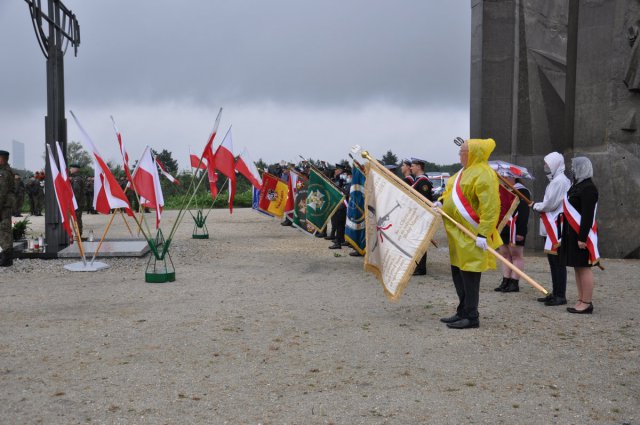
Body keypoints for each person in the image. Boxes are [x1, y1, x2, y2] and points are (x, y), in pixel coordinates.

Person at [436, 139, 502, 329]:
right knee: (458, 272)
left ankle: (472, 316)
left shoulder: (484, 173)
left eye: (463, 151)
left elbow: (490, 207)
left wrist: (484, 233)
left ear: (473, 153)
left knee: (470, 275)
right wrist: (441, 201)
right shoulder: (460, 173)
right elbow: (449, 193)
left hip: (472, 234)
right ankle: (462, 310)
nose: (460, 155)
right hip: (457, 234)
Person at [558, 157, 599, 314]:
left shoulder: (588, 188)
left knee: (584, 267)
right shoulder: (577, 186)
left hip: (582, 234)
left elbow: (587, 215)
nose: (572, 170)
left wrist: (582, 237)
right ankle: (581, 299)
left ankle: (587, 302)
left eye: (575, 167)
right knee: (577, 267)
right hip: (571, 234)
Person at [531, 152, 572, 306]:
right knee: (553, 262)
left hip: (555, 227)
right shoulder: (556, 180)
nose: (545, 167)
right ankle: (556, 292)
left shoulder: (559, 182)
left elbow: (550, 204)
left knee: (557, 262)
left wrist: (535, 205)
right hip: (552, 226)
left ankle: (560, 295)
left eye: (547, 164)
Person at [495, 175, 531, 293]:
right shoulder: (502, 189)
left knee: (516, 255)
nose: (504, 178)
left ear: (513, 178)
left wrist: (521, 231)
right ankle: (506, 280)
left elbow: (524, 212)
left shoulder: (522, 191)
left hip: (515, 227)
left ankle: (514, 282)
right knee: (505, 255)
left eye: (506, 176)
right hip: (503, 227)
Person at [410, 157, 434, 275]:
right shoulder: (418, 180)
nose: (411, 167)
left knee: (420, 242)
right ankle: (417, 265)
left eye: (413, 165)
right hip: (418, 215)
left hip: (422, 216)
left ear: (419, 167)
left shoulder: (423, 181)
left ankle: (421, 268)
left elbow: (425, 201)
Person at [0, 150, 16, 267]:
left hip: (3, 205)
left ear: (2, 159)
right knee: (4, 229)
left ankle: (7, 258)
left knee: (4, 230)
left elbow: (2, 192)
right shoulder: (6, 171)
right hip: (5, 204)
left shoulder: (4, 173)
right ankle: (6, 256)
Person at [328, 163, 350, 249]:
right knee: (338, 224)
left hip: (343, 206)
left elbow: (345, 193)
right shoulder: (339, 180)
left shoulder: (347, 183)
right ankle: (339, 239)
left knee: (340, 224)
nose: (335, 171)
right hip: (339, 205)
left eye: (337, 169)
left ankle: (338, 241)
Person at [69, 164, 86, 237]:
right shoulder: (77, 178)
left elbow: (76, 191)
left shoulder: (77, 179)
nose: (70, 169)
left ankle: (78, 234)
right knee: (77, 218)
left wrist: (73, 203)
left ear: (75, 169)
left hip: (77, 203)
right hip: (79, 202)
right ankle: (78, 233)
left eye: (71, 168)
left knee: (77, 218)